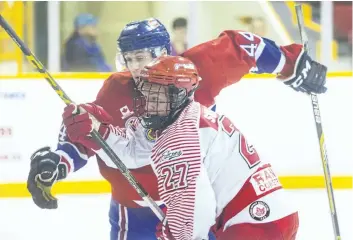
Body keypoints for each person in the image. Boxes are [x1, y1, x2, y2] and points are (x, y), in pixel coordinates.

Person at [27, 17, 327, 239]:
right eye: (128, 59)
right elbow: (90, 133)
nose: (134, 68)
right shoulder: (117, 89)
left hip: (197, 199)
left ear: (163, 52)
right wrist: (60, 161)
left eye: (141, 58)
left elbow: (242, 48)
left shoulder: (195, 69)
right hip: (136, 204)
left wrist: (291, 65)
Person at [61, 55, 301, 239]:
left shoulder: (180, 138)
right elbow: (133, 153)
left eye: (158, 94)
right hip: (270, 215)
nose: (149, 101)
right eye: (147, 91)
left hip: (253, 223)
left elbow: (198, 210)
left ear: (178, 94)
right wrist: (99, 131)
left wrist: (177, 231)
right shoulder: (180, 118)